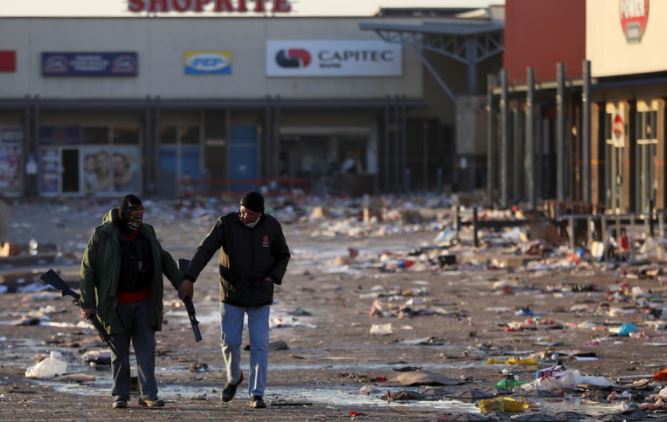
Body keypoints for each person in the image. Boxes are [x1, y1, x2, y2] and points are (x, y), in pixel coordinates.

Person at [179, 191, 290, 409]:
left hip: (260, 294)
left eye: (249, 213)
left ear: (259, 214)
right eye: (242, 210)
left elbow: (283, 254)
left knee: (259, 345)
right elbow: (206, 249)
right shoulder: (226, 224)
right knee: (230, 341)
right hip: (231, 293)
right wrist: (189, 278)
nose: (244, 216)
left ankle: (256, 394)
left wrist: (273, 276)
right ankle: (233, 377)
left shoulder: (271, 227)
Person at [79, 194, 184, 409]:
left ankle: (149, 395)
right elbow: (87, 270)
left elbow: (163, 258)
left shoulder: (147, 232)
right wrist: (87, 303)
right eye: (134, 214)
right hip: (115, 305)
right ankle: (121, 395)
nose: (138, 218)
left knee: (146, 351)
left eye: (141, 214)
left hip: (145, 302)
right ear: (124, 214)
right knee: (119, 353)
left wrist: (181, 283)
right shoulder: (103, 235)